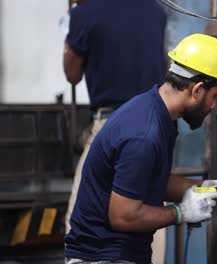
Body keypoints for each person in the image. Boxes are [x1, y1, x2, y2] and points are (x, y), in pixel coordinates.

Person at [64, 33, 217, 263]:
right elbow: (123, 216)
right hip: (102, 257)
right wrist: (181, 212)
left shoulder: (158, 112)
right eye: (215, 96)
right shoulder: (144, 134)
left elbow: (148, 181)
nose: (214, 106)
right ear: (196, 90)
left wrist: (209, 189)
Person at [62, 0, 168, 235]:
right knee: (147, 212)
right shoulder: (155, 11)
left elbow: (72, 74)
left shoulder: (85, 13)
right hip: (155, 122)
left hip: (112, 123)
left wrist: (70, 38)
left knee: (81, 220)